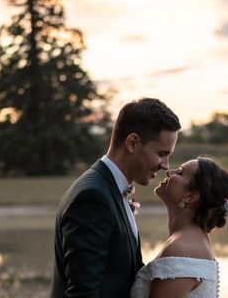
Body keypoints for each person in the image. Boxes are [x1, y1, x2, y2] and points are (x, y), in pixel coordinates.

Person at [50, 98, 181, 298]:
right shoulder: (92, 197)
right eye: (161, 153)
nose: (165, 165)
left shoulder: (110, 189)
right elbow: (83, 293)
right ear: (132, 143)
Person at [130, 157, 228, 298]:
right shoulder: (191, 241)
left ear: (191, 197)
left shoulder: (184, 248)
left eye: (179, 172)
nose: (169, 172)